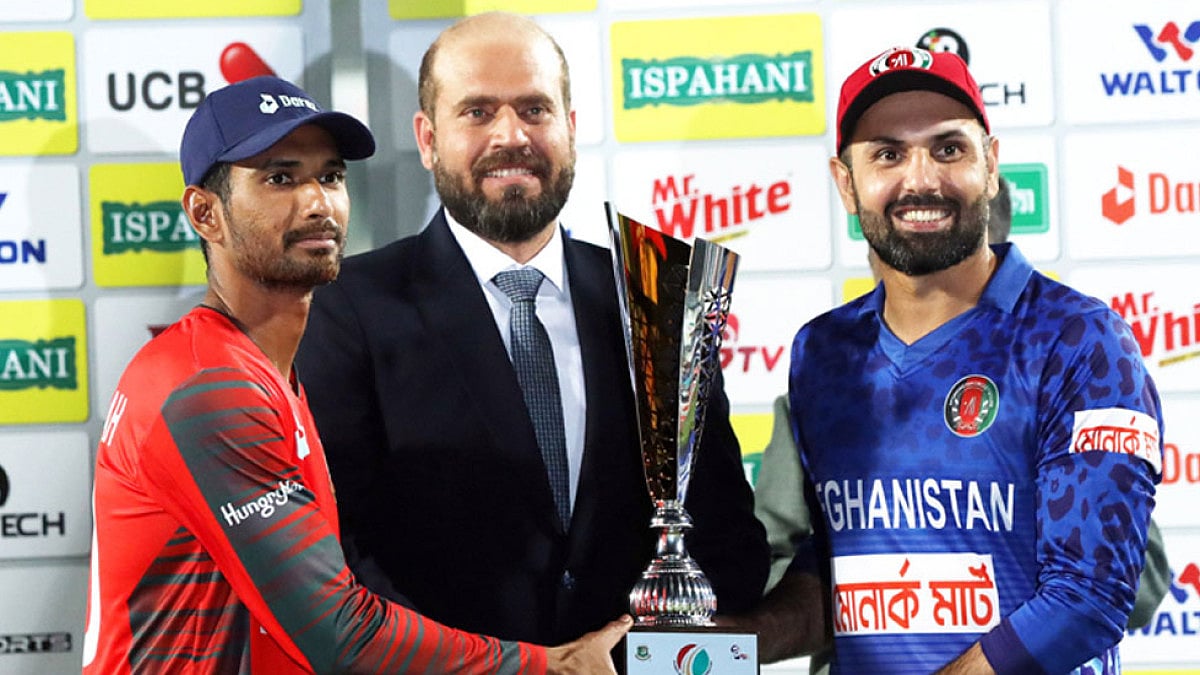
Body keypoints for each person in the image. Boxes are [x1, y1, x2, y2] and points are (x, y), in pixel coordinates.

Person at [83, 74, 629, 674]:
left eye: (332, 176)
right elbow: (337, 632)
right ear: (205, 214)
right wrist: (547, 666)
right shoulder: (207, 387)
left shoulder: (266, 373)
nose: (318, 202)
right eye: (280, 178)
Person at [294, 10, 768, 649]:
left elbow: (726, 541)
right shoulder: (345, 307)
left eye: (535, 109)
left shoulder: (658, 296)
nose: (511, 135)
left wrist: (641, 653)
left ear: (571, 130)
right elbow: (336, 558)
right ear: (429, 139)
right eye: (478, 112)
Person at [728, 46, 1163, 674]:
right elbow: (841, 576)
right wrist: (721, 645)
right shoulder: (823, 353)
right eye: (887, 154)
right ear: (846, 183)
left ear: (990, 164)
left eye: (949, 148)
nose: (921, 179)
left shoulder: (1079, 339)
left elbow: (1088, 596)